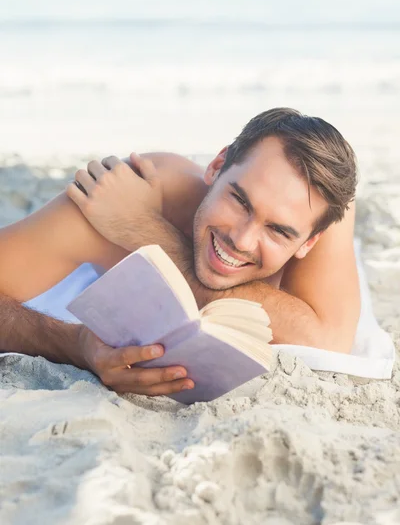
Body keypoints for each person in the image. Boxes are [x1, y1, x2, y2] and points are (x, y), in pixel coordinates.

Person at [0, 107, 360, 395]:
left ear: (309, 242)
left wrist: (142, 229)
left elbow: (322, 344)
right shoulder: (130, 193)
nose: (243, 240)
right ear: (217, 166)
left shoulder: (318, 202)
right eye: (239, 200)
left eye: (278, 231)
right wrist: (77, 346)